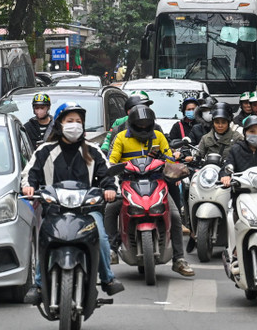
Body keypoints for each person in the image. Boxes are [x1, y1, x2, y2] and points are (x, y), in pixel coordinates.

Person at [21, 102, 124, 303]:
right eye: (70, 121)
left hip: (88, 210)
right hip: (54, 210)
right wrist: (29, 187)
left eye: (78, 121)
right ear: (59, 124)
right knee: (44, 240)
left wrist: (111, 189)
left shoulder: (93, 151)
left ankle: (107, 279)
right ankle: (39, 285)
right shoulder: (44, 150)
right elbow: (29, 174)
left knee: (102, 239)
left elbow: (107, 176)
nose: (74, 125)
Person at [107, 104, 194, 277]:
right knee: (110, 209)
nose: (143, 127)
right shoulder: (121, 137)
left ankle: (178, 259)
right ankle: (112, 249)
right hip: (128, 183)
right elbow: (112, 160)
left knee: (175, 215)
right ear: (132, 123)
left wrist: (165, 158)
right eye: (139, 124)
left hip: (157, 183)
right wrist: (114, 171)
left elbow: (171, 160)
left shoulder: (159, 137)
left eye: (146, 124)